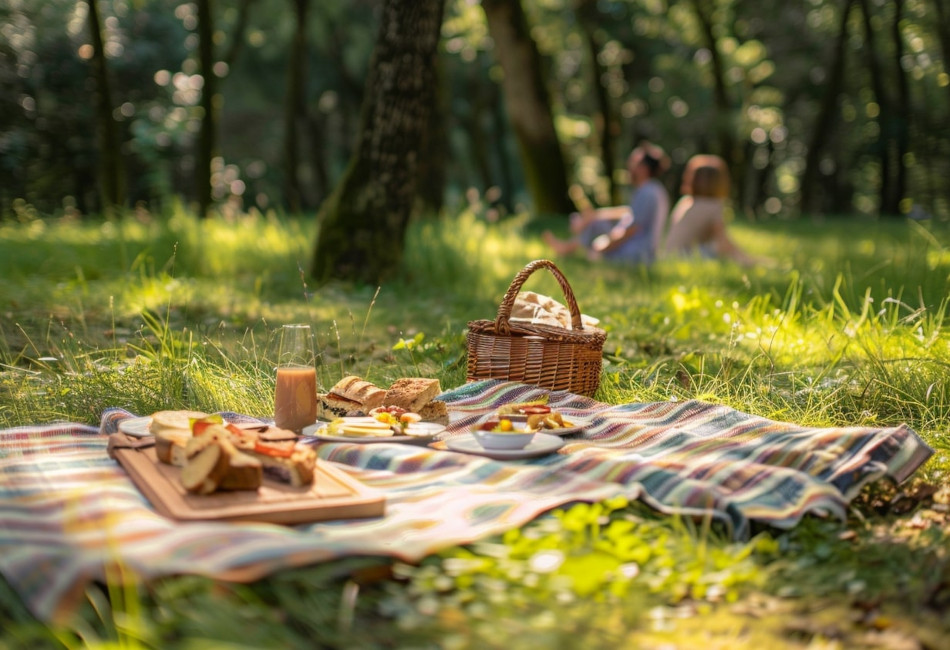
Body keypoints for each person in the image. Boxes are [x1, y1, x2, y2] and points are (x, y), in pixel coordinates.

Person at [542, 142, 670, 264]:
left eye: (633, 163)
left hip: (635, 255)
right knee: (597, 223)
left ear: (644, 169)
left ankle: (572, 250)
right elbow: (628, 213)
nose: (629, 166)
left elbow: (631, 230)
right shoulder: (652, 190)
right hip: (638, 251)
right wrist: (595, 216)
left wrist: (604, 246)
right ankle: (571, 248)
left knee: (594, 242)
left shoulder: (647, 192)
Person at [662, 154, 763, 267]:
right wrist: (745, 258)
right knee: (718, 246)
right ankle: (749, 263)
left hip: (668, 256)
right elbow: (723, 241)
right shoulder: (713, 206)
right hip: (684, 258)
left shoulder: (685, 201)